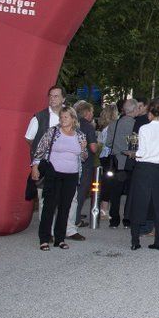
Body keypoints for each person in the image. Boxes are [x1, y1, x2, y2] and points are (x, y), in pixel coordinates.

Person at [30, 106, 87, 250]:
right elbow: (40, 150)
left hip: (72, 175)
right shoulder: (53, 132)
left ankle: (60, 239)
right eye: (61, 117)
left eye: (66, 117)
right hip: (54, 173)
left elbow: (83, 157)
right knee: (49, 206)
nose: (63, 119)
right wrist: (35, 166)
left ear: (73, 119)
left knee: (65, 207)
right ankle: (44, 239)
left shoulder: (80, 135)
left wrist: (83, 149)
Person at [128, 98, 159, 251]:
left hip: (143, 169)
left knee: (138, 203)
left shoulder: (144, 128)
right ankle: (158, 241)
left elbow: (141, 152)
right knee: (158, 205)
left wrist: (133, 154)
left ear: (150, 112)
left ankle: (135, 241)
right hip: (158, 170)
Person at [24, 85, 66, 219]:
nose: (52, 99)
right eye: (51, 96)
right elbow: (29, 139)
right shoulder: (39, 117)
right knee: (45, 198)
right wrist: (39, 155)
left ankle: (67, 227)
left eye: (56, 96)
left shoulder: (70, 116)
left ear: (63, 99)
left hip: (65, 164)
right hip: (45, 164)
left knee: (66, 198)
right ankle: (46, 227)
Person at [104, 98, 138, 228]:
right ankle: (127, 220)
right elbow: (135, 144)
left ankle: (114, 220)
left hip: (116, 162)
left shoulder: (114, 124)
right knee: (130, 192)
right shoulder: (135, 125)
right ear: (134, 110)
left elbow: (108, 143)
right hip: (130, 162)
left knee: (115, 193)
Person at [70, 100, 99, 235]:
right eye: (92, 111)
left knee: (73, 191)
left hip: (72, 162)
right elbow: (93, 148)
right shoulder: (88, 126)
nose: (92, 114)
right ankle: (76, 219)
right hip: (85, 163)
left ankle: (73, 215)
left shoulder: (72, 124)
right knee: (81, 192)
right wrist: (98, 145)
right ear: (87, 112)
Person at [96, 103, 120, 222]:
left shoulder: (104, 128)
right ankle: (103, 210)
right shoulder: (113, 127)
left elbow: (100, 142)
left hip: (103, 157)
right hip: (110, 157)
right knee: (108, 184)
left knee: (105, 183)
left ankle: (102, 209)